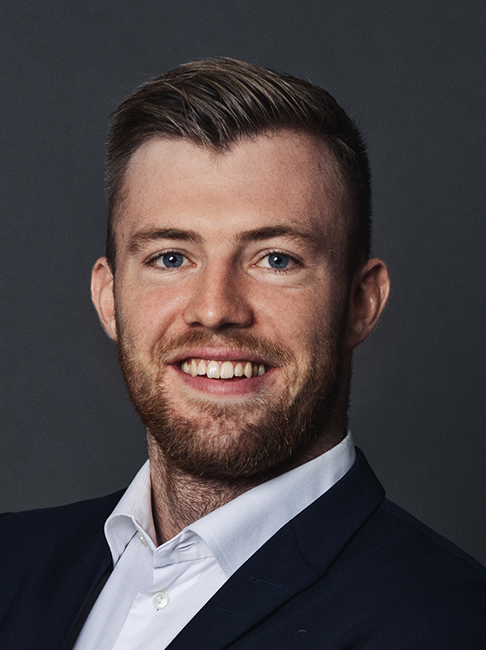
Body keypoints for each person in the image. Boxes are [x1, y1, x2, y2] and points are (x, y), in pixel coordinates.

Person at [1, 58, 485, 650]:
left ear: (360, 303)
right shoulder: (12, 563)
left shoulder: (446, 623)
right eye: (171, 257)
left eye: (276, 259)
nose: (214, 309)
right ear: (109, 298)